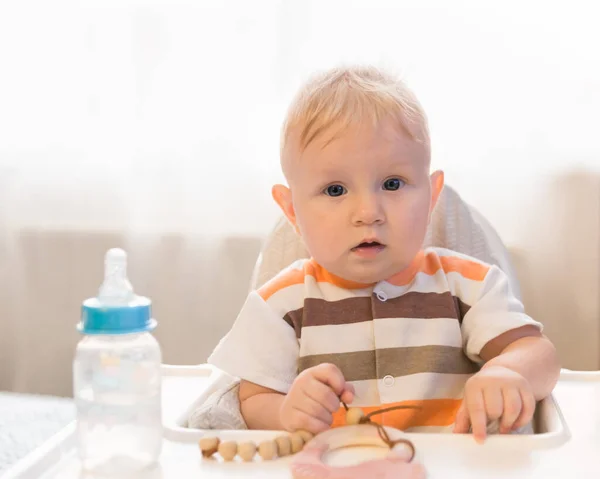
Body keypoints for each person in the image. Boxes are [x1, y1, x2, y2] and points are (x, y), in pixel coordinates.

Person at [208, 65, 561, 443]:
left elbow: (538, 353)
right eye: (335, 190)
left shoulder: (468, 287)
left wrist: (508, 372)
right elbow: (250, 401)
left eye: (392, 184)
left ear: (431, 197)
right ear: (292, 210)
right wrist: (285, 411)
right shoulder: (278, 306)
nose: (368, 212)